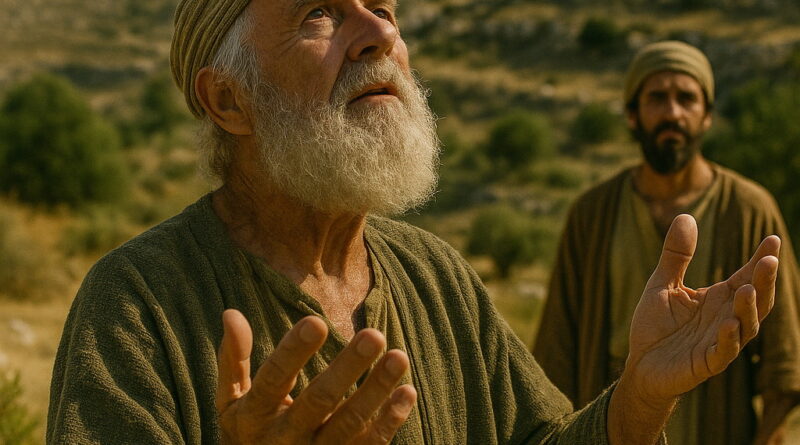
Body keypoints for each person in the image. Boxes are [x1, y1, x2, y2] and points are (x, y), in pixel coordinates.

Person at [47, 3, 780, 443]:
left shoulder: (436, 274)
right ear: (229, 101)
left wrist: (637, 401)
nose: (376, 33)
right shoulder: (135, 305)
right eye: (319, 14)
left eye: (385, 9)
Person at [534, 40, 800, 445]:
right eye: (657, 97)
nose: (673, 112)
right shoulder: (593, 213)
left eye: (687, 99)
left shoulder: (749, 209)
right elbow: (557, 350)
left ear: (707, 116)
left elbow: (785, 355)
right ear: (632, 114)